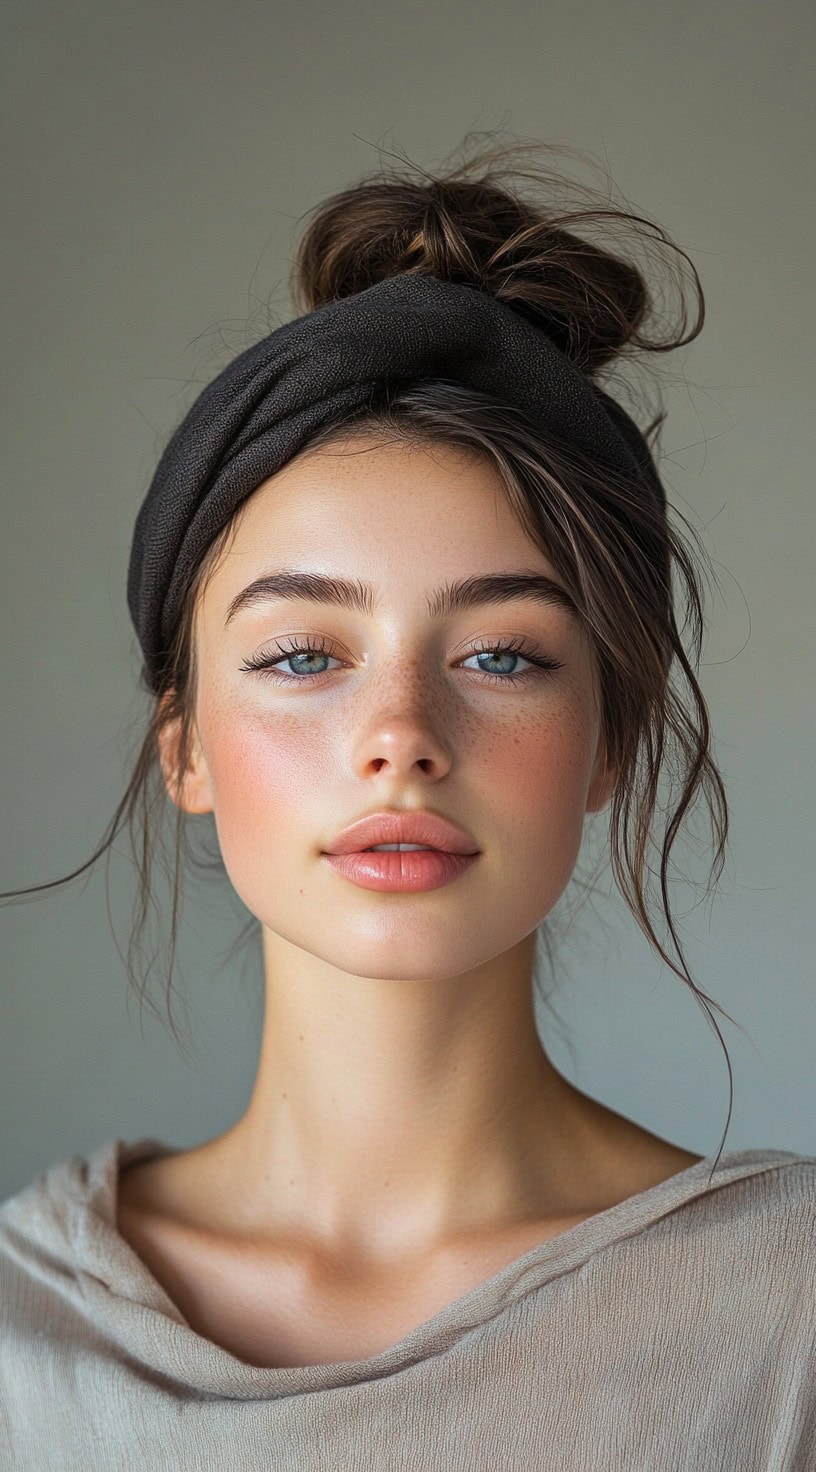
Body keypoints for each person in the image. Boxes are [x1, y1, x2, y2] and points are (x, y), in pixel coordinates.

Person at [1, 140, 813, 1470]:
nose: (400, 741)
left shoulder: (791, 1320)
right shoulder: (21, 1339)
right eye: (304, 656)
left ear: (607, 742)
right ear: (185, 748)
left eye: (502, 657)